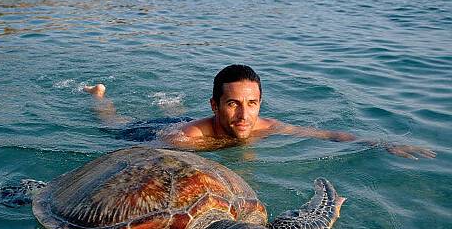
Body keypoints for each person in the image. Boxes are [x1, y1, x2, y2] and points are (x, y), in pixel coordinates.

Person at [84, 64, 436, 159]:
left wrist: (382, 143)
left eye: (251, 104)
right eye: (234, 103)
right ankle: (98, 96)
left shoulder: (265, 126)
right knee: (114, 125)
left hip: (196, 123)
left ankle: (172, 104)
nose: (244, 115)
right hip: (161, 130)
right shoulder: (188, 139)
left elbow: (329, 135)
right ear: (216, 106)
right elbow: (148, 155)